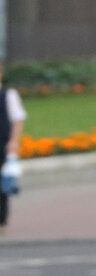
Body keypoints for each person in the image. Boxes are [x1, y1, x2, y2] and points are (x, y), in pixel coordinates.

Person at [0, 60, 27, 231]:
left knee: (2, 184)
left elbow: (17, 119)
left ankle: (1, 219)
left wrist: (13, 141)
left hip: (2, 144)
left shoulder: (8, 95)